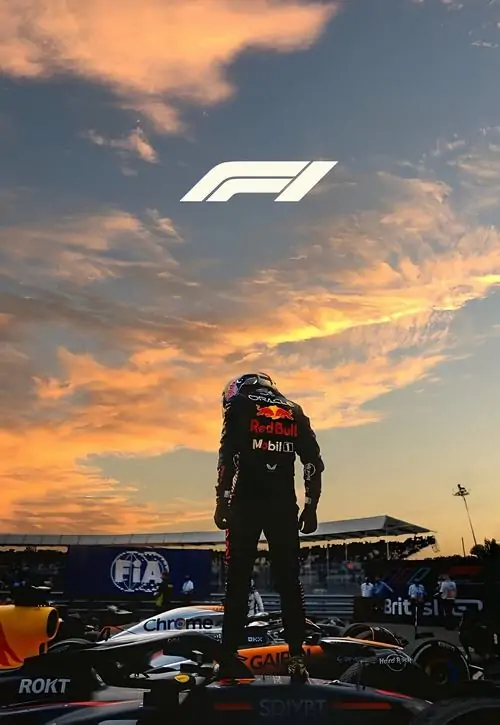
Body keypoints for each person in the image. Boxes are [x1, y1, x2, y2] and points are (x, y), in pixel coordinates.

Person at [214, 372, 324, 680]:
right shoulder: (294, 409)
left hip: (246, 503)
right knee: (289, 581)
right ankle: (296, 656)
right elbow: (313, 461)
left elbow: (227, 455)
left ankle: (228, 656)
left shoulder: (239, 403)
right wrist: (311, 505)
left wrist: (221, 499)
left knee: (237, 581)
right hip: (283, 506)